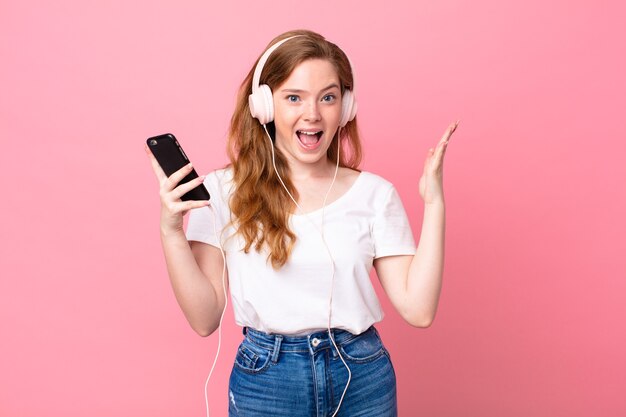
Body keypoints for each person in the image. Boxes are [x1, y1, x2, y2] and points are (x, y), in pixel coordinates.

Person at [145, 29, 458, 417]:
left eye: (328, 97)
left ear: (345, 108)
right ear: (264, 105)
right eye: (294, 97)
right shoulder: (223, 191)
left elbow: (419, 309)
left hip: (361, 375)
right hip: (267, 380)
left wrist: (435, 203)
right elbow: (205, 319)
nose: (313, 114)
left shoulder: (374, 195)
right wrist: (170, 231)